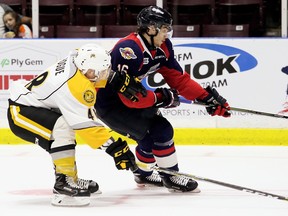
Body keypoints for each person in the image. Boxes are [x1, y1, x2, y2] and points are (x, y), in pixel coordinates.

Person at [95, 6, 231, 193]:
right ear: (151, 28)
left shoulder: (163, 47)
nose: (167, 34)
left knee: (155, 134)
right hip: (109, 104)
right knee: (158, 131)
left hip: (133, 97)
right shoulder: (128, 50)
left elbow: (179, 79)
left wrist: (206, 97)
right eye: (165, 29)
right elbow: (128, 97)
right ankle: (171, 176)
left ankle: (144, 174)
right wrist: (159, 98)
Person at [7, 43, 143, 206]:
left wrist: (114, 77)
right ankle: (63, 186)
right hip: (21, 113)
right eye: (103, 72)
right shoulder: (78, 87)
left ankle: (70, 179)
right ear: (90, 72)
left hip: (33, 105)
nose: (106, 74)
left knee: (62, 129)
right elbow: (87, 127)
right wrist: (115, 149)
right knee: (62, 127)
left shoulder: (77, 58)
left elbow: (93, 58)